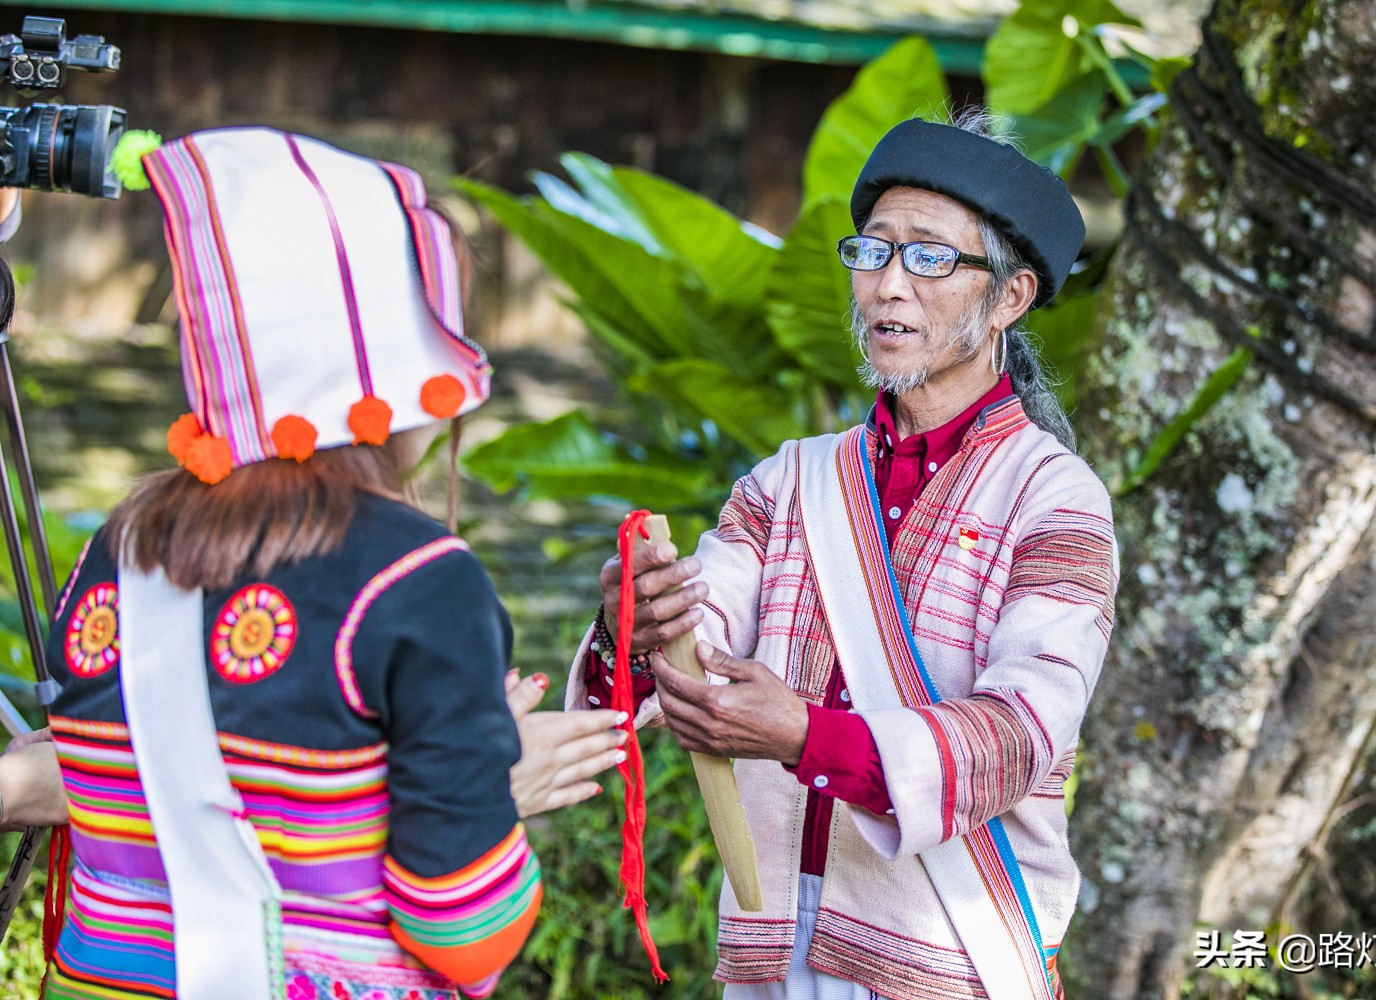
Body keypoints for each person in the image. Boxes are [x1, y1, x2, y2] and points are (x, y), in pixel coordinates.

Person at [0, 127, 629, 1000]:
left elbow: (170, 798)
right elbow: (464, 934)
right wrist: (492, 785)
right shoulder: (419, 583)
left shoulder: (123, 543)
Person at [567, 114, 1119, 1000]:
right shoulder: (789, 480)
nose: (888, 287)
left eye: (930, 258)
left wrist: (803, 737)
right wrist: (638, 621)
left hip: (949, 954)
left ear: (1010, 298)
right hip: (769, 944)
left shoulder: (1056, 500)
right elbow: (693, 644)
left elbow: (1024, 734)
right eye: (872, 253)